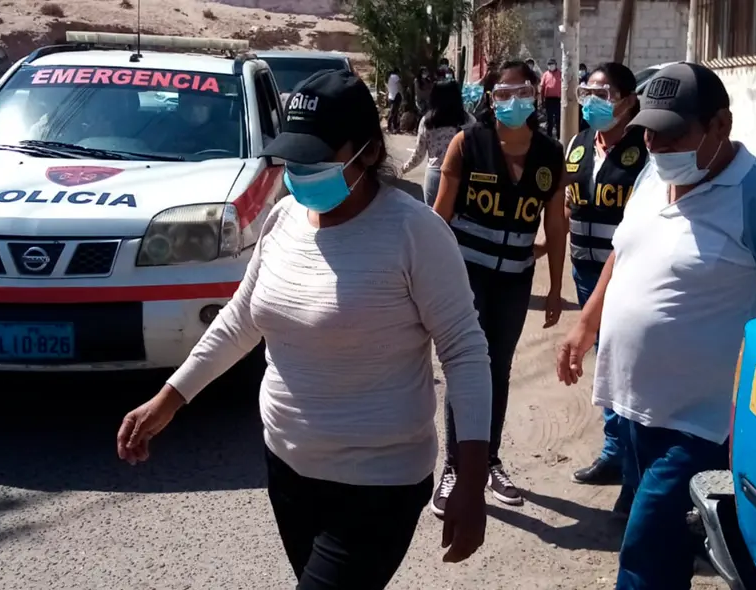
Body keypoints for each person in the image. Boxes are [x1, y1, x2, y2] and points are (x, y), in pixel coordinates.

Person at [117, 69, 492, 589]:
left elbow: (466, 353)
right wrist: (169, 399)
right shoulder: (283, 218)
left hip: (378, 485)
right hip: (288, 471)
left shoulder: (414, 232)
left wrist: (472, 482)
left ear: (365, 151)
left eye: (317, 157)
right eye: (293, 156)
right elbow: (241, 320)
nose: (300, 169)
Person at [557, 62, 756, 590]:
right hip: (637, 408)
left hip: (703, 425)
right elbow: (622, 252)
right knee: (662, 546)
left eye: (673, 133)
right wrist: (586, 322)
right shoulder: (653, 173)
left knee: (644, 553)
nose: (656, 145)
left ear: (720, 125)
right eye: (649, 132)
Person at [431, 60, 567, 516]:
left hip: (514, 280)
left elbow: (555, 223)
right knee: (466, 368)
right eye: (503, 94)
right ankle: (454, 467)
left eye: (522, 91)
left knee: (499, 370)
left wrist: (552, 290)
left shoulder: (550, 154)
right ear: (490, 99)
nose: (513, 101)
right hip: (466, 276)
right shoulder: (467, 144)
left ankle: (488, 462)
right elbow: (438, 219)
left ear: (534, 93)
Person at [557, 63, 646, 518]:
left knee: (625, 374)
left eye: (604, 92)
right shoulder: (576, 146)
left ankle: (634, 479)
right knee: (604, 368)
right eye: (587, 90)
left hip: (627, 276)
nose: (593, 99)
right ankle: (614, 454)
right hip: (584, 269)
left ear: (629, 101)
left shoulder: (645, 150)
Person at [401, 80, 475, 206]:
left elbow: (419, 154)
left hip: (435, 177)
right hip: (460, 176)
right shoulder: (469, 120)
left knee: (434, 221)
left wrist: (405, 168)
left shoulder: (426, 122)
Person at [539, 59, 561, 139]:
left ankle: (559, 136)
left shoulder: (560, 74)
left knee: (558, 119)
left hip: (558, 100)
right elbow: (542, 87)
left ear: (555, 65)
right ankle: (549, 137)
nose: (551, 66)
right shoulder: (545, 74)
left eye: (552, 64)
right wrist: (542, 100)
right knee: (549, 119)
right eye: (549, 64)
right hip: (548, 99)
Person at [387, 69, 403, 133]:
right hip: (395, 96)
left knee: (394, 112)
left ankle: (395, 127)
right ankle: (390, 127)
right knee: (393, 112)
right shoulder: (395, 76)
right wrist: (402, 93)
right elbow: (399, 85)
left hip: (391, 96)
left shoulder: (390, 77)